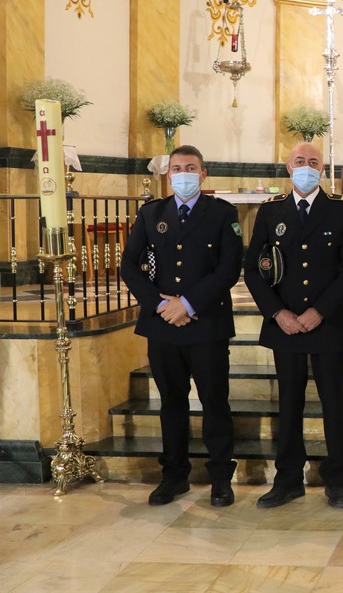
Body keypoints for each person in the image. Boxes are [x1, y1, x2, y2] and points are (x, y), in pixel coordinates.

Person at [120, 145, 243, 507]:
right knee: (171, 403)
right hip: (162, 326)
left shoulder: (223, 213)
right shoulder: (150, 213)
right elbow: (130, 265)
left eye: (191, 168)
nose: (184, 173)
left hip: (207, 324)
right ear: (168, 174)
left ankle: (221, 477)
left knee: (214, 402)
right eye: (177, 168)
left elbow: (228, 268)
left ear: (203, 174)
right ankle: (174, 476)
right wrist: (162, 305)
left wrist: (187, 304)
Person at [244, 142, 343, 509]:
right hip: (286, 324)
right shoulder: (271, 212)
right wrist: (278, 314)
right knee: (290, 403)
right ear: (287, 167)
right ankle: (288, 479)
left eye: (313, 162)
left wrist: (320, 312)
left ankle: (337, 480)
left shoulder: (342, 210)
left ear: (322, 169)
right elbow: (253, 269)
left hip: (327, 324)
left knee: (333, 404)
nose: (306, 167)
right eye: (300, 161)